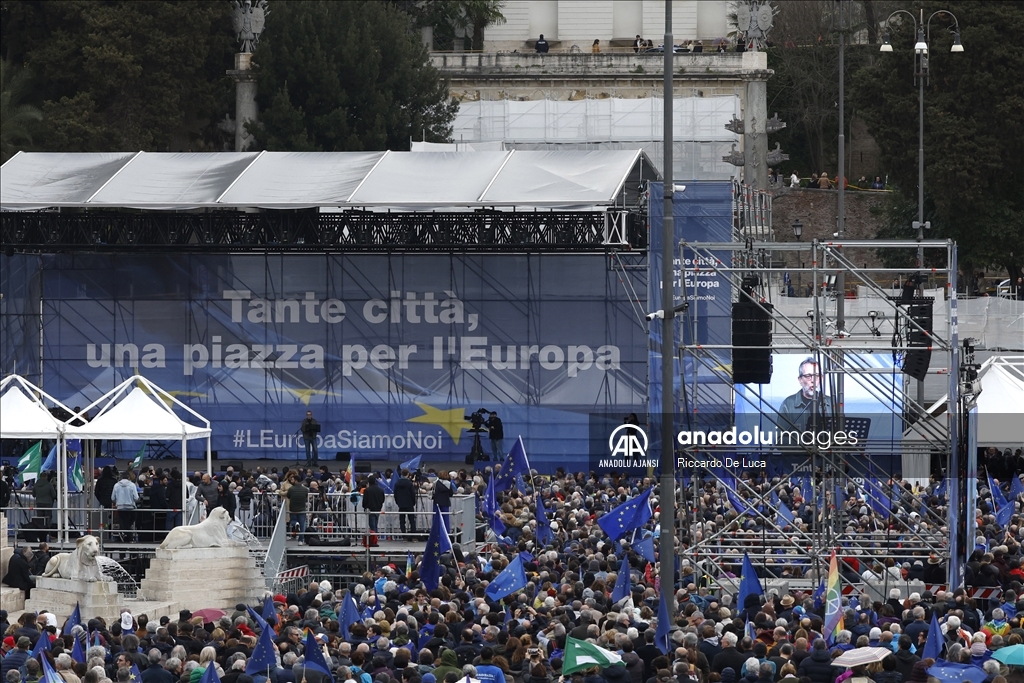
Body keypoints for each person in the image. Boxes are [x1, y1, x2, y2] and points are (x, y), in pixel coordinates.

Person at [777, 357, 824, 432]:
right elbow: (781, 439)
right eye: (808, 376)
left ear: (821, 378)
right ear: (800, 380)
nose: (813, 380)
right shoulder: (788, 405)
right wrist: (804, 442)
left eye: (816, 376)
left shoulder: (830, 403)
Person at [112, 470, 140, 542]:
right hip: (131, 507)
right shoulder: (132, 485)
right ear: (128, 477)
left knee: (124, 522)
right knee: (131, 521)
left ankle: (124, 534)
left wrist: (118, 501)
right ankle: (129, 537)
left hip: (120, 507)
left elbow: (112, 498)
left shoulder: (116, 485)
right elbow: (136, 498)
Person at [285, 474, 309, 544]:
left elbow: (288, 496)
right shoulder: (305, 489)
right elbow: (306, 496)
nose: (291, 480)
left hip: (293, 509)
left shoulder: (291, 489)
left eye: (292, 479)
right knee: (302, 525)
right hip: (302, 509)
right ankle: (301, 540)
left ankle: (295, 524)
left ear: (295, 480)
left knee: (292, 521)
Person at [394, 469, 418, 535]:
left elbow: (395, 494)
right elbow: (413, 494)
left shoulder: (397, 483)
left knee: (402, 521)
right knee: (412, 521)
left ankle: (404, 535)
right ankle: (413, 535)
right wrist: (413, 502)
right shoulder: (409, 483)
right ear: (407, 474)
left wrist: (398, 502)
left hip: (401, 504)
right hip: (409, 504)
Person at [362, 475, 385, 541]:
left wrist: (365, 507)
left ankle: (374, 539)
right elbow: (382, 500)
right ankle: (375, 538)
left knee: (372, 526)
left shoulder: (367, 490)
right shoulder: (381, 490)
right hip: (378, 509)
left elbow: (364, 502)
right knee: (375, 524)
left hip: (370, 509)